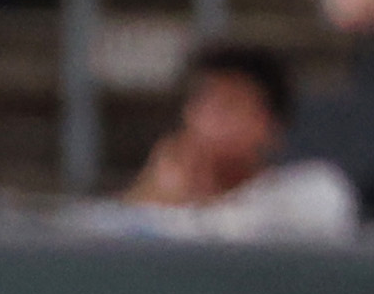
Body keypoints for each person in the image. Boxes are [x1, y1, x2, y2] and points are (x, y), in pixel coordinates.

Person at [96, 44, 360, 243]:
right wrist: (156, 198)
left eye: (230, 106)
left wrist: (181, 206)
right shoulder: (160, 197)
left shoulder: (314, 191)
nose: (214, 120)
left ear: (272, 126)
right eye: (204, 104)